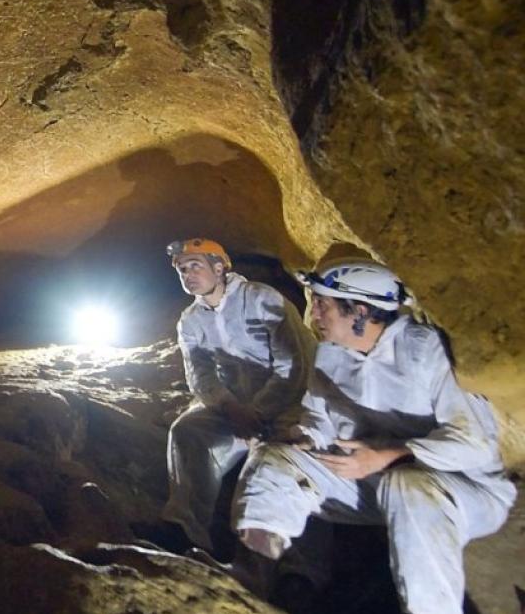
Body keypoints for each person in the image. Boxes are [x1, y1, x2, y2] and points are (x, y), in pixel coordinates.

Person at [233, 260, 517, 614]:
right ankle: (249, 576)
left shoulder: (426, 350)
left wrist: (387, 455)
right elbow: (317, 417)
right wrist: (303, 437)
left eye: (323, 303)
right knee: (272, 458)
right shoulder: (330, 356)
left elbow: (474, 444)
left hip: (463, 489)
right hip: (372, 480)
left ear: (360, 311)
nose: (314, 313)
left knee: (406, 485)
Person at [138, 238, 315, 555]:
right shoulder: (191, 320)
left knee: (285, 459)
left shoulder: (262, 299)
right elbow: (199, 374)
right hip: (234, 408)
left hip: (288, 405)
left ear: (219, 268)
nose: (188, 274)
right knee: (188, 430)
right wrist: (229, 406)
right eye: (182, 269)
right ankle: (185, 529)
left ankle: (296, 568)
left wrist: (257, 411)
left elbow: (294, 365)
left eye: (196, 266)